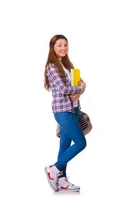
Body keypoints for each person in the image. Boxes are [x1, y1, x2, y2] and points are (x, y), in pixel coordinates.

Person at [43, 34, 87, 192]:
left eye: (65, 45)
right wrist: (79, 88)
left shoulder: (68, 65)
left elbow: (81, 83)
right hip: (62, 111)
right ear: (53, 48)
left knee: (64, 146)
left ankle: (62, 180)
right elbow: (64, 89)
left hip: (74, 109)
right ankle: (54, 169)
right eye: (59, 45)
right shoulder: (52, 67)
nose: (63, 48)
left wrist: (79, 91)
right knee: (81, 143)